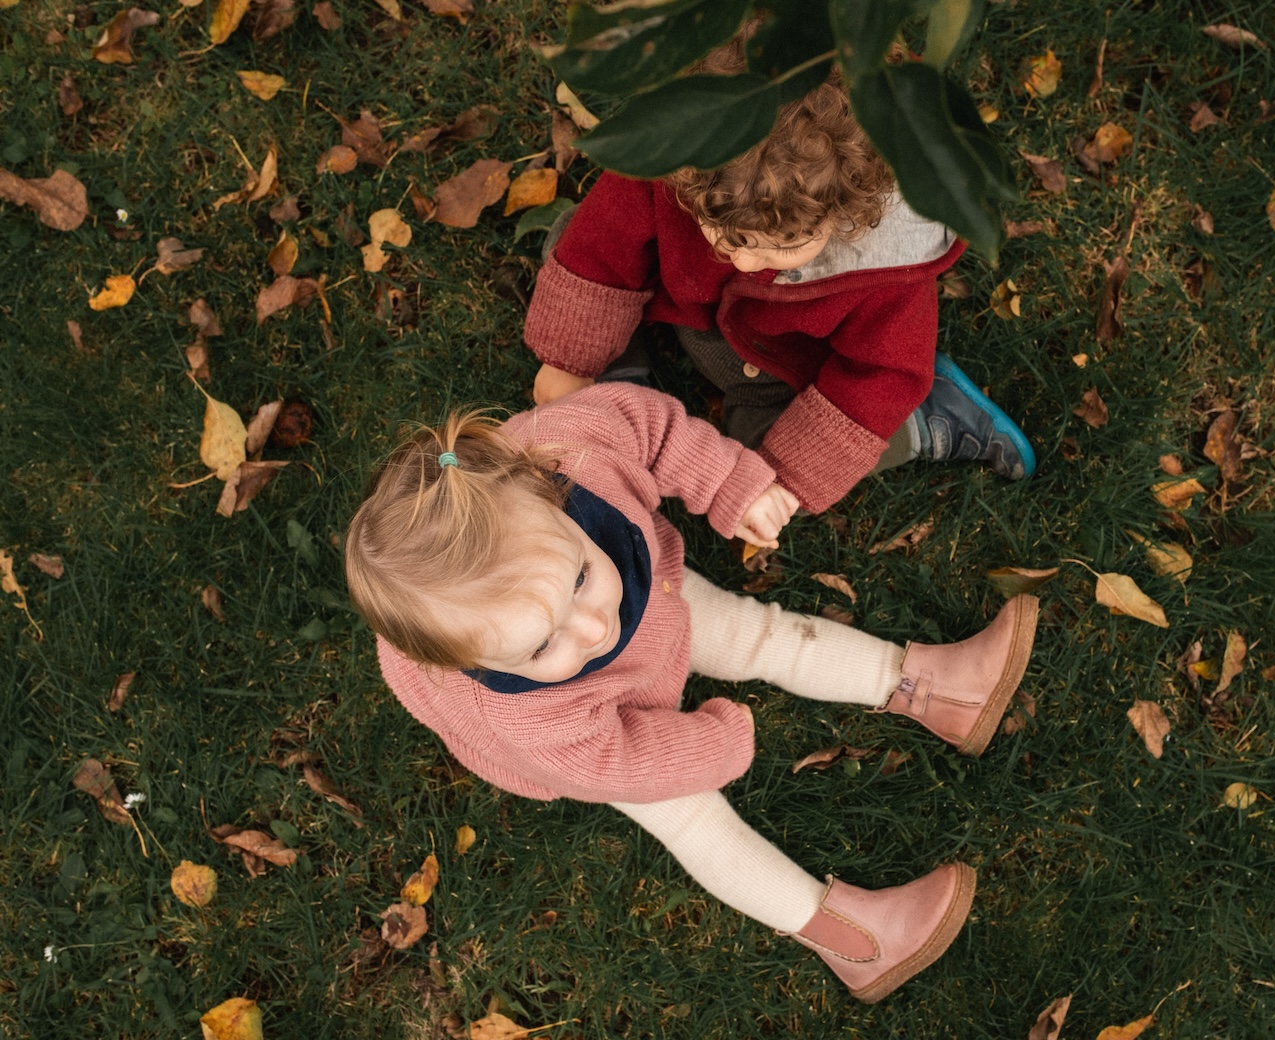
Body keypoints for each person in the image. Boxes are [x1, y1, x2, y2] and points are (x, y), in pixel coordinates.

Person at [345, 383, 1039, 1002]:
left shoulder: (573, 448)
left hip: (662, 602)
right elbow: (629, 760)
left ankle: (939, 688)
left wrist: (731, 484)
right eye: (541, 644)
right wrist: (718, 742)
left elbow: (649, 425)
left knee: (759, 633)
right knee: (693, 820)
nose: (591, 628)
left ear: (549, 492)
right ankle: (859, 939)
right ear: (477, 662)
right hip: (598, 724)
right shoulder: (530, 717)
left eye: (581, 576)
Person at [524, 73, 1035, 516]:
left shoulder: (886, 274)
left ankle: (924, 422)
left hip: (777, 369)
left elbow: (878, 376)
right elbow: (607, 241)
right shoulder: (689, 158)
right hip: (677, 305)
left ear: (846, 216)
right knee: (574, 244)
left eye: (781, 246)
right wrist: (570, 360)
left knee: (765, 462)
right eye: (713, 225)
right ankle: (619, 386)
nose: (739, 259)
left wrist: (782, 481)